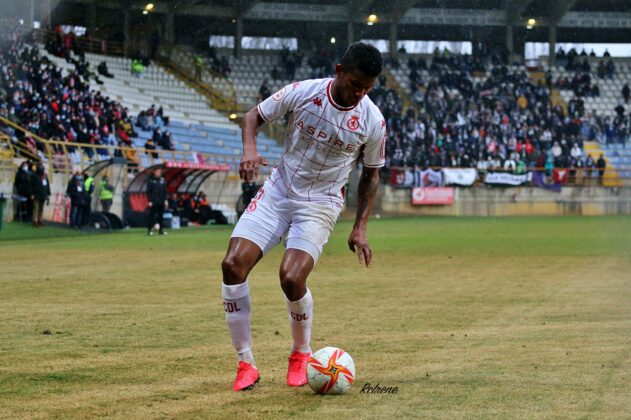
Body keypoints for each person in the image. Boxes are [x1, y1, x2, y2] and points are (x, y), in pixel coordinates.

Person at [219, 42, 386, 391]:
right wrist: (249, 150)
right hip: (279, 190)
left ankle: (301, 353)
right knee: (232, 265)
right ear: (340, 71)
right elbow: (253, 116)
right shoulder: (304, 92)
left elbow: (371, 175)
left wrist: (360, 227)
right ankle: (245, 363)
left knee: (291, 277)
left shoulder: (372, 120)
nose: (360, 93)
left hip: (320, 203)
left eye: (368, 88)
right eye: (356, 84)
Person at [147, 167, 167, 235]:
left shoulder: (163, 180)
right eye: (158, 171)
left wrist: (165, 200)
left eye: (160, 171)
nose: (159, 173)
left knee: (160, 216)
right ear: (154, 172)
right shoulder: (150, 180)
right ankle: (150, 230)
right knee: (152, 216)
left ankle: (161, 230)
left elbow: (165, 191)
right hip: (153, 201)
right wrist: (150, 201)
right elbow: (148, 192)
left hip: (161, 201)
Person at [30, 163, 51, 227]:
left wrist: (48, 194)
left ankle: (40, 220)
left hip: (43, 194)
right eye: (40, 166)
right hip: (36, 194)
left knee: (41, 209)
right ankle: (35, 221)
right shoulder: (34, 175)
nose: (41, 168)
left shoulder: (45, 176)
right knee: (36, 208)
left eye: (42, 166)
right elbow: (31, 185)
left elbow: (47, 185)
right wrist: (32, 194)